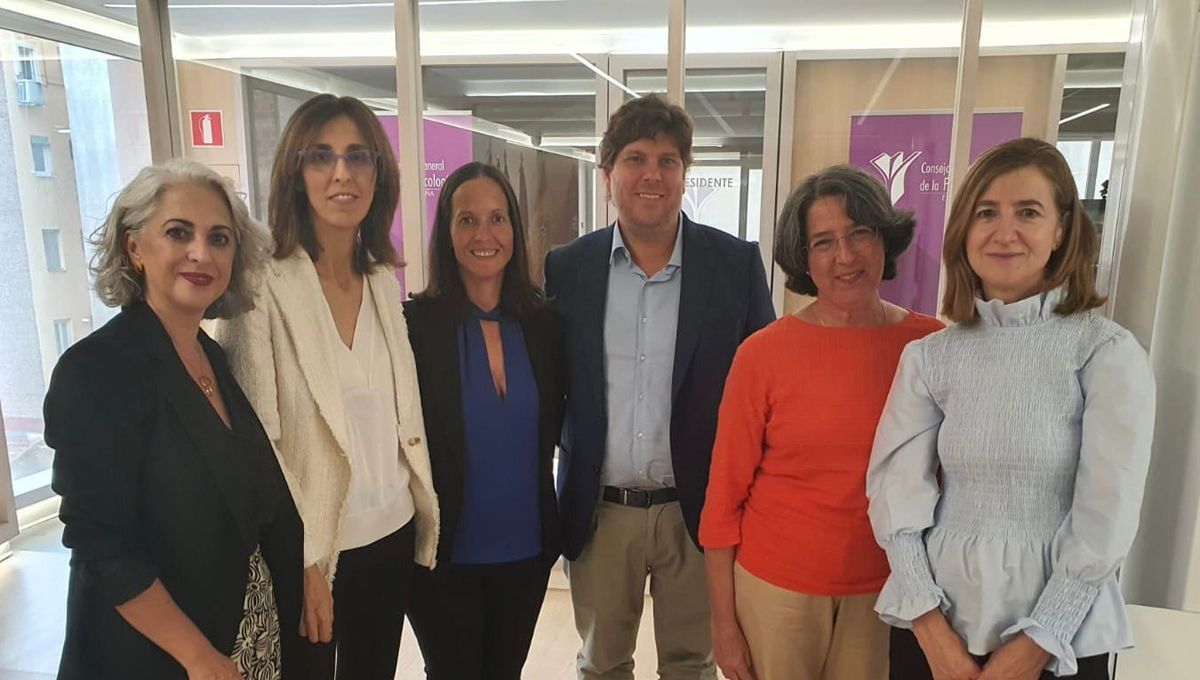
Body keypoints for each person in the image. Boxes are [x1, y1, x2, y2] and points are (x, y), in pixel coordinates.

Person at [867, 137, 1156, 680]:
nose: (1004, 232)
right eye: (987, 213)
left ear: (1061, 230)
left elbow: (1107, 516)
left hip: (1060, 635)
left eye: (1028, 212)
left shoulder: (1105, 352)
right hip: (936, 624)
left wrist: (1037, 643)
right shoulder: (930, 357)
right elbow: (895, 495)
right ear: (964, 229)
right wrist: (930, 629)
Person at [544, 93, 776, 679]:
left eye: (668, 160)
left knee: (691, 665)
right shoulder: (568, 268)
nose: (652, 174)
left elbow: (765, 394)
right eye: (636, 159)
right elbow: (552, 386)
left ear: (684, 173)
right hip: (601, 512)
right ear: (608, 176)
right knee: (601, 666)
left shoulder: (734, 265)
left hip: (698, 514)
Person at [44, 158, 303, 679]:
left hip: (245, 637)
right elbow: (103, 546)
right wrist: (199, 657)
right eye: (178, 233)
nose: (201, 253)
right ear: (134, 248)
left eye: (219, 238)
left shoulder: (212, 356)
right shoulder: (95, 370)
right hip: (161, 658)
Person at [216, 94, 439, 680]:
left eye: (358, 156)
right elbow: (257, 445)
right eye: (321, 156)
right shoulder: (259, 286)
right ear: (296, 172)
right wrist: (305, 561)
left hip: (391, 532)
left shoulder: (382, 279)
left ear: (378, 174)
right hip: (316, 549)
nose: (342, 173)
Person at [699, 165, 944, 680]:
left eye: (860, 233)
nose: (845, 256)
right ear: (804, 258)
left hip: (889, 591)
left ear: (885, 238)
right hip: (776, 590)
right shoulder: (762, 355)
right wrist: (723, 624)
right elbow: (722, 500)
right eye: (824, 242)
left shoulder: (930, 347)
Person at [403, 161, 566, 679]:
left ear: (514, 229)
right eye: (467, 220)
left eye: (497, 218)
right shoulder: (414, 328)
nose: (484, 234)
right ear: (446, 234)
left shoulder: (544, 324)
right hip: (443, 557)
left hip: (527, 552)